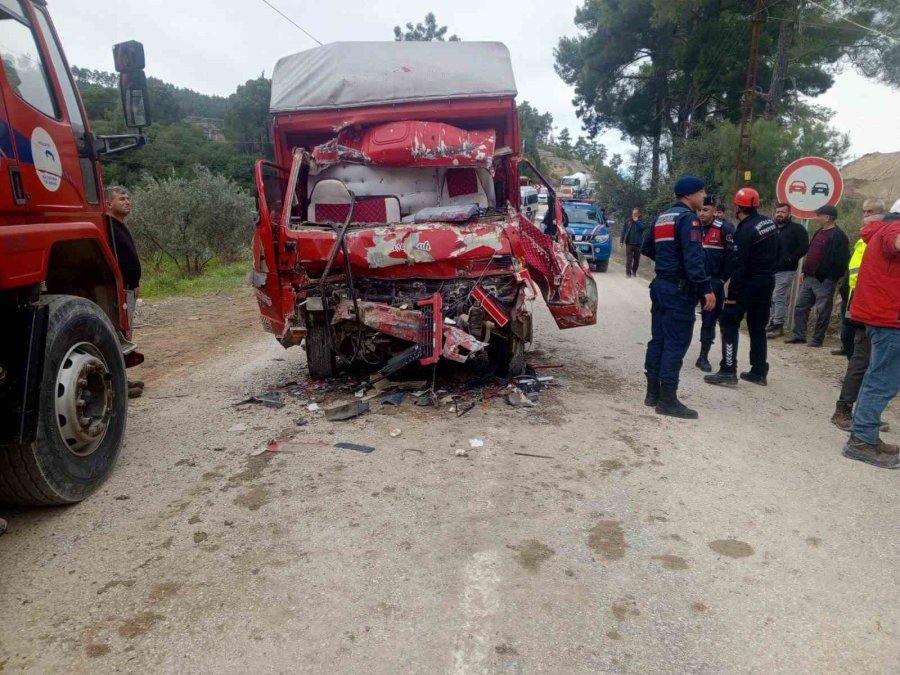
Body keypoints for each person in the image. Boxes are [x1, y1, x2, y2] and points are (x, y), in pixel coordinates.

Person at [641, 176, 716, 419]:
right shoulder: (688, 219)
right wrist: (705, 288)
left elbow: (647, 248)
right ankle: (668, 400)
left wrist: (667, 264)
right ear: (690, 194)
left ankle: (652, 394)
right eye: (702, 192)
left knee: (659, 340)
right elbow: (694, 259)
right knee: (676, 343)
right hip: (679, 291)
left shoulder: (662, 217)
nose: (704, 197)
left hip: (661, 285)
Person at [841, 198, 900, 469]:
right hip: (890, 319)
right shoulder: (892, 230)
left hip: (882, 316)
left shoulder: (882, 228)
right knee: (882, 381)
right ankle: (862, 440)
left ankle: (866, 435)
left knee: (877, 378)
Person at [704, 187, 779, 387]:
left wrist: (732, 294)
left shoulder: (745, 230)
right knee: (758, 326)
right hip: (768, 281)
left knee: (728, 322)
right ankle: (759, 370)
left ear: (738, 206)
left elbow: (739, 264)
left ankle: (728, 370)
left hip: (749, 282)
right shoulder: (769, 223)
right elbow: (779, 251)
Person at [831, 200, 888, 431]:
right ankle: (844, 410)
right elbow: (856, 275)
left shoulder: (871, 238)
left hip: (869, 305)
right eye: (864, 212)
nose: (866, 217)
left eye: (870, 212)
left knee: (872, 363)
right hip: (867, 306)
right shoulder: (872, 239)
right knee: (863, 360)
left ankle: (863, 413)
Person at [784, 204, 851, 347]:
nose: (817, 217)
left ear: (827, 218)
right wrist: (805, 272)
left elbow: (842, 261)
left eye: (819, 215)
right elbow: (812, 253)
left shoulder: (839, 237)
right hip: (809, 277)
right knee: (801, 306)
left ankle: (817, 339)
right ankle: (799, 335)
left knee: (822, 310)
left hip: (824, 280)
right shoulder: (820, 231)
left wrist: (831, 278)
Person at [106, 186, 144, 399]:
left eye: (129, 198)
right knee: (118, 333)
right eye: (121, 198)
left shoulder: (120, 226)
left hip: (129, 287)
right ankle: (118, 385)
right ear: (109, 204)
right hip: (119, 289)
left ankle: (122, 381)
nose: (127, 201)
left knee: (125, 334)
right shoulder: (108, 226)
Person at [694, 195, 734, 372]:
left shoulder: (724, 229)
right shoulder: (690, 226)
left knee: (709, 320)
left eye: (705, 210)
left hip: (712, 282)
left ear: (714, 209)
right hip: (691, 280)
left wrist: (721, 280)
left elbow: (732, 257)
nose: (701, 213)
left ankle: (703, 356)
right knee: (682, 317)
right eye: (699, 210)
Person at [765, 203, 809, 338]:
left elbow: (804, 247)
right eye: (778, 211)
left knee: (778, 295)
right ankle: (772, 321)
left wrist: (791, 258)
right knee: (771, 296)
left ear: (789, 214)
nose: (780, 214)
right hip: (770, 269)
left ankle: (779, 325)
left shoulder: (797, 229)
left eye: (783, 212)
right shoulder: (770, 228)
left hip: (786, 269)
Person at [620, 207, 645, 278]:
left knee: (637, 260)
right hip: (629, 243)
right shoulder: (628, 221)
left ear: (639, 214)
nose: (634, 215)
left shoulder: (641, 221)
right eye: (633, 213)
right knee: (629, 259)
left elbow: (643, 228)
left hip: (638, 244)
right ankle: (628, 273)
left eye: (635, 214)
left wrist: (637, 221)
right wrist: (621, 241)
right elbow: (623, 231)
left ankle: (634, 271)